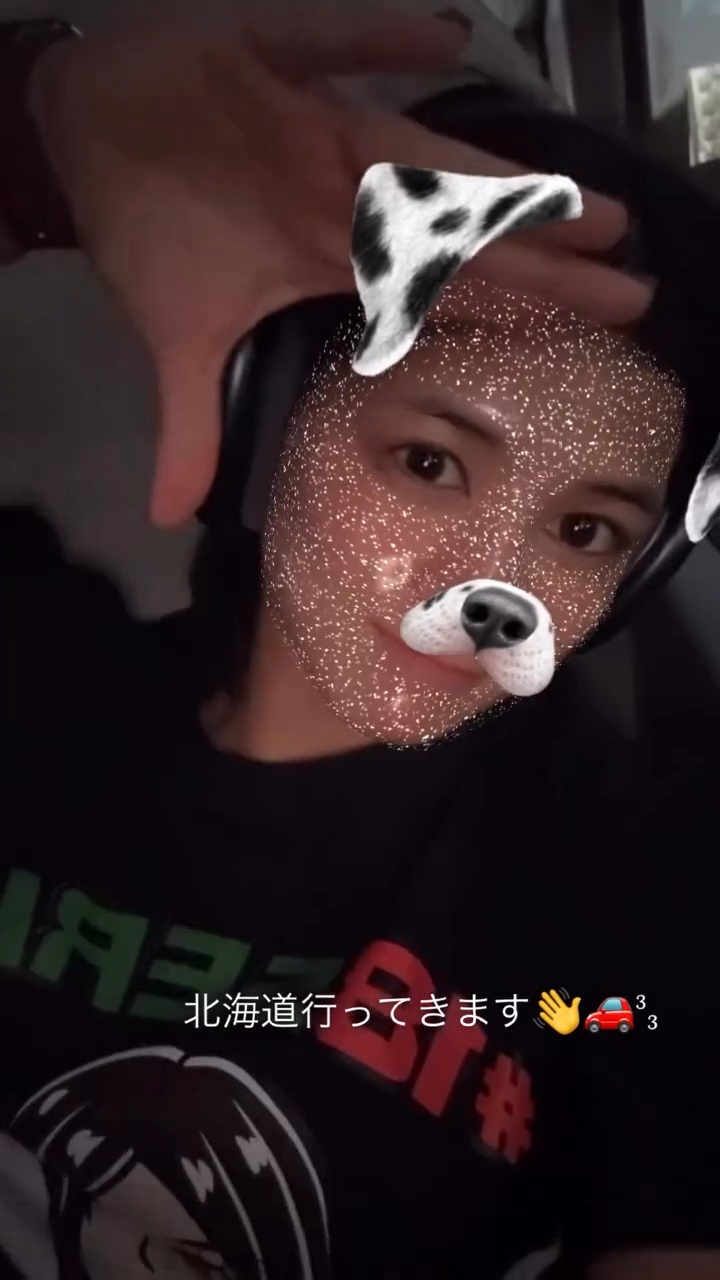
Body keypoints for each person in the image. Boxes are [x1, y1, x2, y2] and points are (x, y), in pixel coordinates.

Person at [0, 4, 719, 1280]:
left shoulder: (632, 882)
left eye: (585, 529)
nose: (496, 583)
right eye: (431, 460)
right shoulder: (33, 675)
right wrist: (28, 131)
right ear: (275, 407)